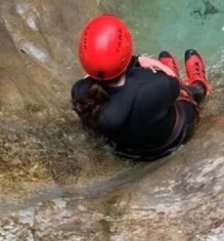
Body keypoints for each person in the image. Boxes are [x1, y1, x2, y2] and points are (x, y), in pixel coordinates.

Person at [71, 14, 212, 161]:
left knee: (160, 97)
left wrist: (133, 62)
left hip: (127, 152)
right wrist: (148, 63)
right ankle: (200, 85)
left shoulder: (79, 92)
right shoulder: (156, 86)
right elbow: (172, 83)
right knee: (183, 94)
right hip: (169, 142)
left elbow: (94, 80)